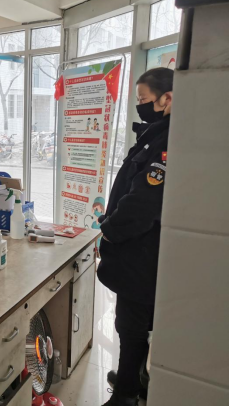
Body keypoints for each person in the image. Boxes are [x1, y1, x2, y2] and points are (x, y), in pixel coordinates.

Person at [98, 68, 174, 407]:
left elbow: (144, 202)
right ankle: (134, 377)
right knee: (135, 324)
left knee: (131, 325)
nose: (140, 105)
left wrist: (110, 230)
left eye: (144, 99)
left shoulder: (167, 140)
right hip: (141, 251)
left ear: (167, 98)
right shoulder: (156, 134)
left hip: (141, 253)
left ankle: (126, 395)